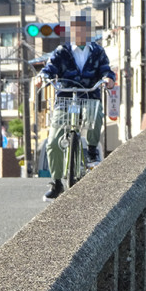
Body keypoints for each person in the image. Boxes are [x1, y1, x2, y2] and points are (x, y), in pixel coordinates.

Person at [39, 11, 116, 201]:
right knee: (53, 141)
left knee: (96, 113)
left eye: (84, 28)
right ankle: (56, 182)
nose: (80, 32)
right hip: (65, 99)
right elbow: (48, 69)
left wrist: (108, 79)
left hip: (89, 97)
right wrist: (42, 77)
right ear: (71, 30)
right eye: (76, 28)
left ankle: (91, 150)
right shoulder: (61, 51)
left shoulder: (98, 51)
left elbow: (107, 70)